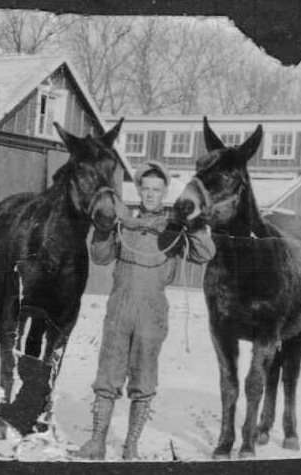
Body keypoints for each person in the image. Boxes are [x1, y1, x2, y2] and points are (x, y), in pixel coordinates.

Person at [75, 160, 216, 460]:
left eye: (157, 189)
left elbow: (205, 253)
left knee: (144, 379)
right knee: (107, 376)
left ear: (165, 192)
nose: (151, 194)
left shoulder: (173, 228)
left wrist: (193, 224)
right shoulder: (123, 223)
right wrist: (101, 231)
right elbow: (100, 258)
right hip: (119, 308)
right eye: (146, 188)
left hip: (152, 311)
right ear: (138, 189)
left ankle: (131, 447)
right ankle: (97, 443)